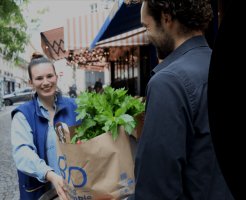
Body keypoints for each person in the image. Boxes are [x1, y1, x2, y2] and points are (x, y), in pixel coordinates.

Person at [124, 0, 235, 200]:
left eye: (146, 26)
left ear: (166, 18)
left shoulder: (168, 82)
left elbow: (154, 191)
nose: (146, 36)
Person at [11, 52, 82, 200]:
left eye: (49, 76)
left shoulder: (76, 107)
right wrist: (50, 174)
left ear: (56, 76)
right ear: (31, 83)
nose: (46, 82)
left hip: (77, 190)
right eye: (39, 78)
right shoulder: (22, 115)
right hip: (42, 193)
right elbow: (23, 153)